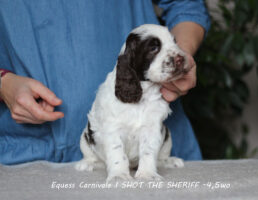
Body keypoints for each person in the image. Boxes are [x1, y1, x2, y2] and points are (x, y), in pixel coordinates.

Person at [0, 0, 210, 165]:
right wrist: (3, 83)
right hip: (27, 150)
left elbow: (185, 4)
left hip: (155, 146)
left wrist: (179, 57)